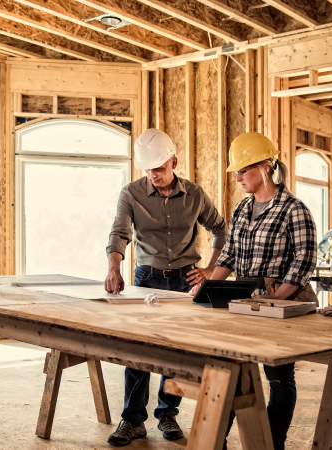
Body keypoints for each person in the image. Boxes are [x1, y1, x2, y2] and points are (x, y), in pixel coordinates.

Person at [105, 128, 227, 447]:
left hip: (185, 282)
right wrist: (114, 268)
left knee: (175, 352)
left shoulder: (196, 195)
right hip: (146, 279)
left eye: (159, 168)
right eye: (148, 170)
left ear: (174, 162)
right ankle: (132, 421)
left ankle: (167, 413)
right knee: (137, 351)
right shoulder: (131, 194)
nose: (154, 175)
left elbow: (221, 231)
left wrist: (211, 270)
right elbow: (119, 234)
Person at [198, 131, 317, 450]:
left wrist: (276, 299)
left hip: (281, 308)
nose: (237, 178)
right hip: (245, 305)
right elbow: (230, 254)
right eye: (235, 171)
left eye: (242, 170)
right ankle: (216, 441)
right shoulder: (241, 210)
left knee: (279, 378)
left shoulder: (294, 209)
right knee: (231, 372)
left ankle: (271, 444)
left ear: (265, 167)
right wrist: (209, 285)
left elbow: (304, 260)